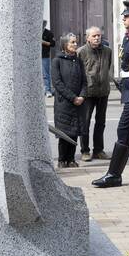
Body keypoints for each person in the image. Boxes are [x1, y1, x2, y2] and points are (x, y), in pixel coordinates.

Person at [92, 1, 129, 188]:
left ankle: (114, 174)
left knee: (123, 131)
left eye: (128, 15)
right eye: (123, 15)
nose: (123, 17)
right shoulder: (128, 36)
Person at [76, 26, 112, 162]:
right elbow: (78, 73)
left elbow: (107, 67)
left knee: (100, 123)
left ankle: (98, 150)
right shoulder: (81, 52)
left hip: (103, 91)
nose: (97, 38)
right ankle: (85, 151)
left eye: (98, 35)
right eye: (94, 36)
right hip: (87, 93)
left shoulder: (107, 51)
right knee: (84, 123)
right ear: (87, 38)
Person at [51, 32, 86, 168]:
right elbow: (57, 83)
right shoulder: (57, 61)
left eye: (76, 42)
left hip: (78, 102)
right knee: (64, 132)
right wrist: (73, 97)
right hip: (64, 103)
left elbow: (84, 81)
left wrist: (82, 96)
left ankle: (71, 159)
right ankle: (62, 159)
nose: (75, 44)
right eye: (72, 42)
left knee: (74, 132)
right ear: (65, 45)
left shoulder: (78, 60)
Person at [42, 21, 55, 96]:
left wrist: (44, 42)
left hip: (44, 56)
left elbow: (53, 44)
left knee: (46, 74)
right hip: (35, 57)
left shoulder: (48, 33)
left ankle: (48, 90)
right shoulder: (35, 32)